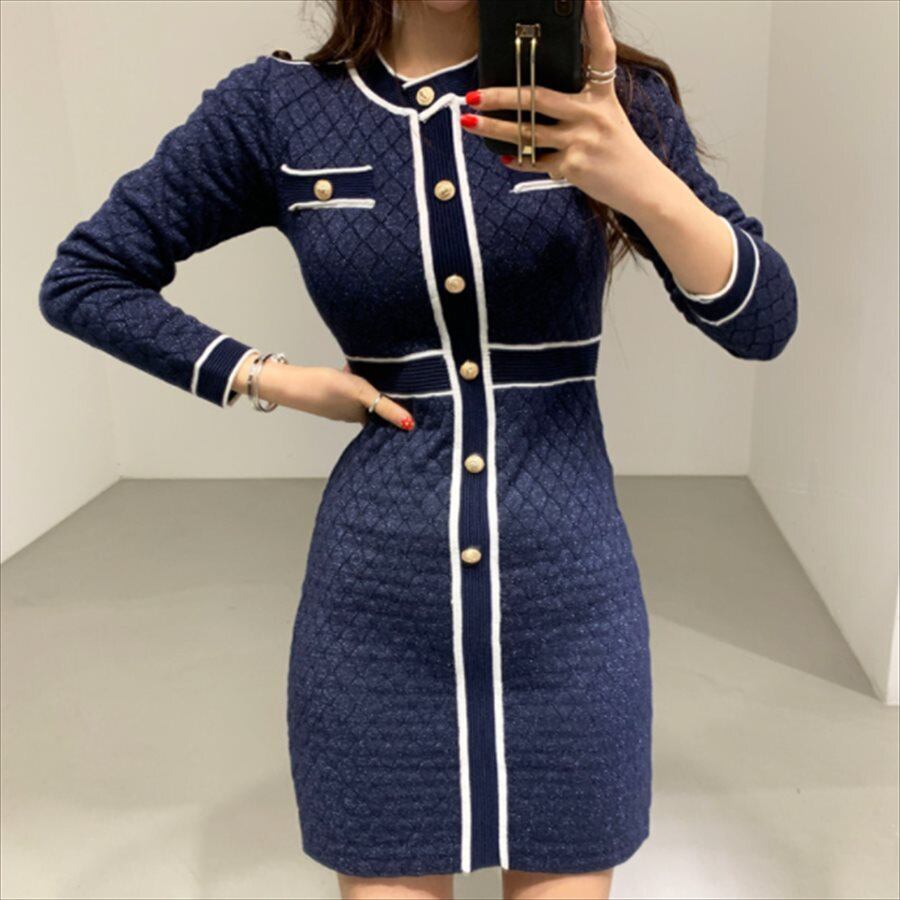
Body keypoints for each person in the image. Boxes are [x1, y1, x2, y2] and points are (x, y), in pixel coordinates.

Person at [37, 1, 798, 898]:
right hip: (375, 619)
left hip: (571, 612)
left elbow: (764, 323)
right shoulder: (278, 107)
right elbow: (87, 276)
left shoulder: (603, 96)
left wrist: (637, 177)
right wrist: (271, 377)